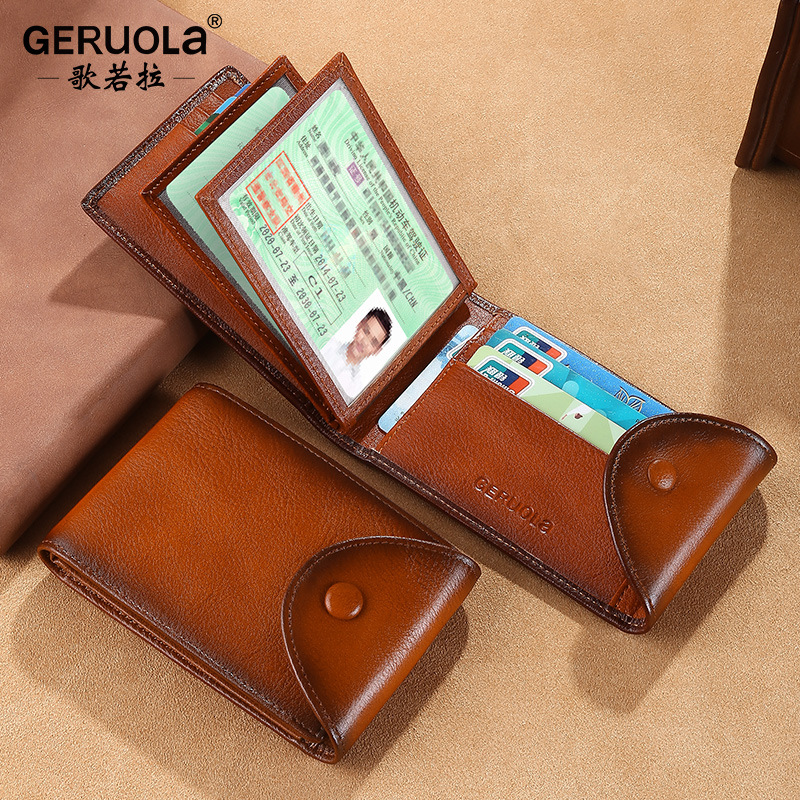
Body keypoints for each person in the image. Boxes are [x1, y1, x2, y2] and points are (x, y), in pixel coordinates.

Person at [324, 308, 392, 401]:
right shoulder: (326, 344)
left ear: (376, 350)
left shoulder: (355, 391)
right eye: (366, 331)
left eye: (373, 342)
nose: (365, 342)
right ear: (360, 324)